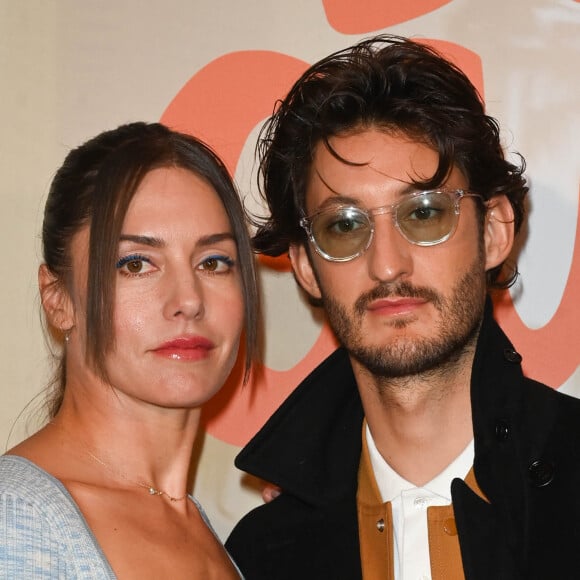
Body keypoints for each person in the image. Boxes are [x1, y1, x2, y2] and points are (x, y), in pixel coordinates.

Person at [225, 34, 580, 579]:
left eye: (424, 214)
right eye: (344, 226)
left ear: (494, 232)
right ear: (304, 265)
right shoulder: (263, 556)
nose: (387, 265)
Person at [0, 122, 258, 578]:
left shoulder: (203, 529)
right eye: (136, 264)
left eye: (213, 262)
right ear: (58, 299)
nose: (188, 300)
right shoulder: (16, 521)